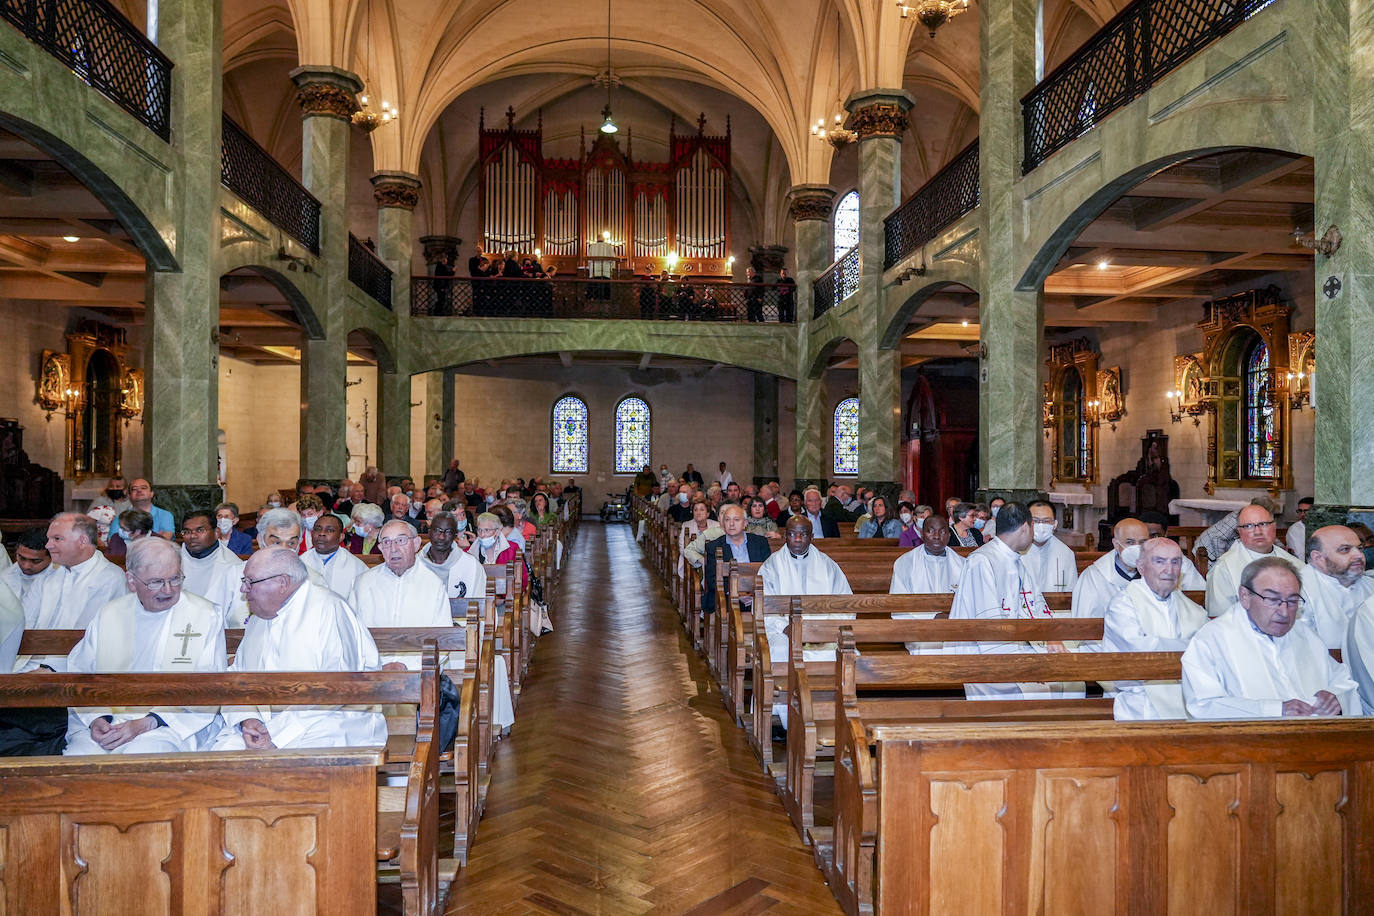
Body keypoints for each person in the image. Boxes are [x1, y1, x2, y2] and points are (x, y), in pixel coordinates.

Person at [63, 538, 227, 755]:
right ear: (131, 581)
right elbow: (81, 673)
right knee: (80, 756)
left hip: (171, 725)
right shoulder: (109, 615)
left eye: (175, 579)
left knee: (143, 753)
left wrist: (146, 723)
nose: (168, 590)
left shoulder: (205, 616)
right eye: (156, 582)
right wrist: (96, 718)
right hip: (111, 721)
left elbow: (209, 687)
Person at [212, 548, 386, 750]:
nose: (243, 590)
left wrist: (275, 734)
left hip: (329, 722)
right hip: (263, 726)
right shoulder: (259, 616)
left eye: (250, 582)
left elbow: (337, 687)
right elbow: (237, 675)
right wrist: (247, 719)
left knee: (301, 760)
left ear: (283, 582)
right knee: (222, 753)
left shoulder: (329, 609)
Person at [1183, 557, 1359, 718]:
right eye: (1272, 600)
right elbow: (1203, 704)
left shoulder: (1304, 634)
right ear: (1245, 596)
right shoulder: (1212, 640)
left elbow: (1342, 679)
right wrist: (1275, 710)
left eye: (1292, 601)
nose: (1284, 612)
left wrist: (1336, 696)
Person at [949, 502, 1079, 700]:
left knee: (1068, 681)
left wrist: (1052, 637)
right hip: (986, 659)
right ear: (1026, 527)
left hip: (1014, 648)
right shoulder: (983, 561)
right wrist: (1023, 667)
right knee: (1042, 693)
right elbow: (989, 627)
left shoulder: (1014, 559)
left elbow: (1034, 603)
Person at [758, 516, 853, 724]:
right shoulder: (771, 566)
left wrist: (826, 630)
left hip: (823, 631)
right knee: (779, 651)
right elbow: (765, 607)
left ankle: (833, 717)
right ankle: (786, 719)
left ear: (812, 536)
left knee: (848, 652)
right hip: (783, 631)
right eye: (792, 534)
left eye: (803, 534)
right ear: (785, 536)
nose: (798, 539)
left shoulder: (828, 565)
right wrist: (789, 629)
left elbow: (844, 602)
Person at [1102, 538, 1208, 719]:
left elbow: (1210, 649)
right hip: (1139, 698)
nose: (1170, 570)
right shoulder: (1123, 605)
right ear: (1141, 567)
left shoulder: (1193, 610)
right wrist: (1190, 647)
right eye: (1159, 561)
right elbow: (1140, 652)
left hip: (1188, 694)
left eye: (1176, 562)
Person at [17, 513, 128, 672]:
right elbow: (24, 618)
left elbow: (87, 637)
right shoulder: (49, 574)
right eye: (49, 539)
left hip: (71, 672)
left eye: (57, 539)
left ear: (83, 541)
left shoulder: (109, 578)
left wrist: (50, 669)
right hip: (26, 661)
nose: (48, 545)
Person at [350, 521, 452, 670]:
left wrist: (408, 666)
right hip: (371, 673)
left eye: (401, 540)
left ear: (416, 544)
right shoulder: (362, 583)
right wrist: (378, 666)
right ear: (380, 549)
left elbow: (443, 640)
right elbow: (351, 636)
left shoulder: (433, 584)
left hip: (419, 676)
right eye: (386, 542)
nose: (394, 549)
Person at [1205, 504, 1299, 615]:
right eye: (1249, 526)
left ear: (1274, 526)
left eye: (1263, 524)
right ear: (1239, 532)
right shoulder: (1224, 569)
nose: (1258, 531)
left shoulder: (1296, 565)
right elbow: (1219, 616)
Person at [1299, 525, 1374, 649]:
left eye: (1360, 548)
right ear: (1318, 558)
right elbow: (1303, 649)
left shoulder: (1369, 584)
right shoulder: (1298, 591)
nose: (1358, 555)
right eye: (1345, 549)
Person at [179, 509, 248, 627]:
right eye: (187, 531)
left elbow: (238, 618)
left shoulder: (234, 567)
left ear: (217, 532)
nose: (192, 536)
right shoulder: (171, 563)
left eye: (200, 530)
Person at [699, 505, 771, 615]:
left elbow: (769, 572)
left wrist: (754, 593)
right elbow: (713, 580)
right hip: (727, 596)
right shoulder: (714, 547)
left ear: (745, 523)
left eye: (736, 520)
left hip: (757, 593)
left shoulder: (760, 543)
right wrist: (737, 593)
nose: (731, 524)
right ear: (723, 524)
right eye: (727, 520)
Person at [1072, 517, 1149, 619]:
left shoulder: (1156, 574)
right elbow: (1084, 623)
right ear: (1116, 544)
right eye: (1130, 542)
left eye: (1142, 542)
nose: (1137, 548)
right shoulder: (1093, 577)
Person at [419, 512, 486, 610]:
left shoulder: (471, 565)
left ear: (455, 535)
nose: (442, 537)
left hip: (461, 623)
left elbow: (482, 606)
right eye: (437, 530)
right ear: (429, 532)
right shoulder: (415, 565)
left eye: (448, 532)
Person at [890, 514, 964, 594]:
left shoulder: (962, 564)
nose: (937, 536)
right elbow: (898, 601)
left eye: (942, 532)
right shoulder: (905, 562)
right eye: (931, 531)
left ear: (949, 535)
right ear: (922, 534)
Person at [300, 513, 367, 600]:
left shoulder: (357, 567)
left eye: (330, 530)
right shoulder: (300, 562)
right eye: (317, 529)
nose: (322, 533)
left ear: (341, 537)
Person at [1194, 494, 1279, 561]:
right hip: (1207, 549)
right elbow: (1217, 538)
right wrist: (1221, 560)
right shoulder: (1239, 517)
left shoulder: (1257, 518)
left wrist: (1281, 547)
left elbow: (1267, 533)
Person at [2, 527, 59, 624]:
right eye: (22, 558)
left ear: (52, 557)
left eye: (36, 561)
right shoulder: (5, 577)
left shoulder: (61, 578)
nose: (26, 566)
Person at [1138, 510, 1207, 588]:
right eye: (1144, 536)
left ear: (1166, 534)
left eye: (1155, 536)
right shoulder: (1132, 556)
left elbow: (1197, 591)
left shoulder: (1179, 561)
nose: (1149, 541)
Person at [1020, 500, 1078, 592]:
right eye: (1035, 520)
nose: (1041, 525)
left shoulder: (1066, 554)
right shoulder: (1016, 550)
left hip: (1055, 605)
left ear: (1055, 524)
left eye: (1046, 521)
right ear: (1026, 523)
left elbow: (1070, 592)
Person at [680, 501, 725, 573]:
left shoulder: (717, 525)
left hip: (714, 560)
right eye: (695, 510)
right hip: (691, 562)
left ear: (708, 513)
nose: (698, 512)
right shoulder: (686, 525)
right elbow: (683, 548)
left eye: (702, 509)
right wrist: (700, 559)